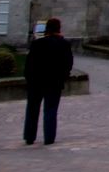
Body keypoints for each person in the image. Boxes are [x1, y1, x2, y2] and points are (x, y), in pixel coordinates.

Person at [23, 17, 73, 146]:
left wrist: (28, 79)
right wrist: (63, 77)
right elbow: (68, 64)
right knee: (50, 110)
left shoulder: (37, 44)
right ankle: (49, 137)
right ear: (59, 29)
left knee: (32, 109)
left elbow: (29, 64)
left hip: (36, 82)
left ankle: (29, 136)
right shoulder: (64, 44)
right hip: (54, 82)